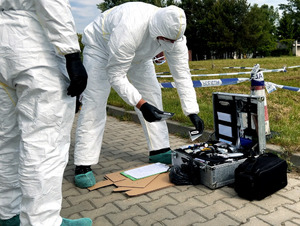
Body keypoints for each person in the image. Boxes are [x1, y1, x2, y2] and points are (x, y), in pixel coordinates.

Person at [74, 2, 204, 188]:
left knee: (152, 93)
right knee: (94, 102)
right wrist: (141, 105)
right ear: (156, 32)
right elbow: (116, 75)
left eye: (172, 42)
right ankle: (83, 163)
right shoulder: (130, 28)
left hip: (139, 55)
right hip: (100, 49)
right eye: (164, 41)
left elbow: (182, 74)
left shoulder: (175, 37)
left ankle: (159, 149)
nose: (170, 46)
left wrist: (192, 111)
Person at [0, 1, 92, 225]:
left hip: (3, 43)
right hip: (34, 43)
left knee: (6, 139)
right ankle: (42, 220)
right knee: (46, 142)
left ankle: (7, 213)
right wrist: (71, 53)